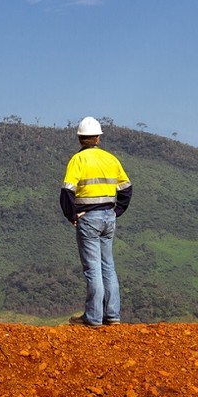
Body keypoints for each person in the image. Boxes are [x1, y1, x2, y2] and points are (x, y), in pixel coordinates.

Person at [60, 116, 133, 327]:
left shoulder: (78, 160)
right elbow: (127, 189)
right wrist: (117, 210)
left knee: (93, 269)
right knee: (108, 266)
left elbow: (67, 191)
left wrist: (72, 215)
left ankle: (93, 318)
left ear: (80, 139)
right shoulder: (111, 159)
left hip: (89, 219)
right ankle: (112, 315)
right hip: (109, 217)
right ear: (98, 139)